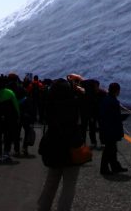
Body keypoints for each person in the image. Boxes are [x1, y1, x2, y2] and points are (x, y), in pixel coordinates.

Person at [37, 74, 85, 211]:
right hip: (71, 148)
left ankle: (42, 208)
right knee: (69, 185)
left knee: (51, 182)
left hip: (53, 147)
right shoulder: (73, 104)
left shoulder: (50, 104)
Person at [98, 82, 128, 174]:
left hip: (106, 128)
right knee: (109, 149)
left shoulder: (106, 99)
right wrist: (122, 117)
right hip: (110, 129)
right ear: (117, 90)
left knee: (112, 149)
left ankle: (115, 166)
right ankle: (104, 169)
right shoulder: (112, 101)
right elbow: (113, 117)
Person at [0, 76, 21, 162]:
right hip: (9, 118)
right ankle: (6, 153)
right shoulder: (10, 93)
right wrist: (18, 116)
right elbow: (16, 106)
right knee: (7, 135)